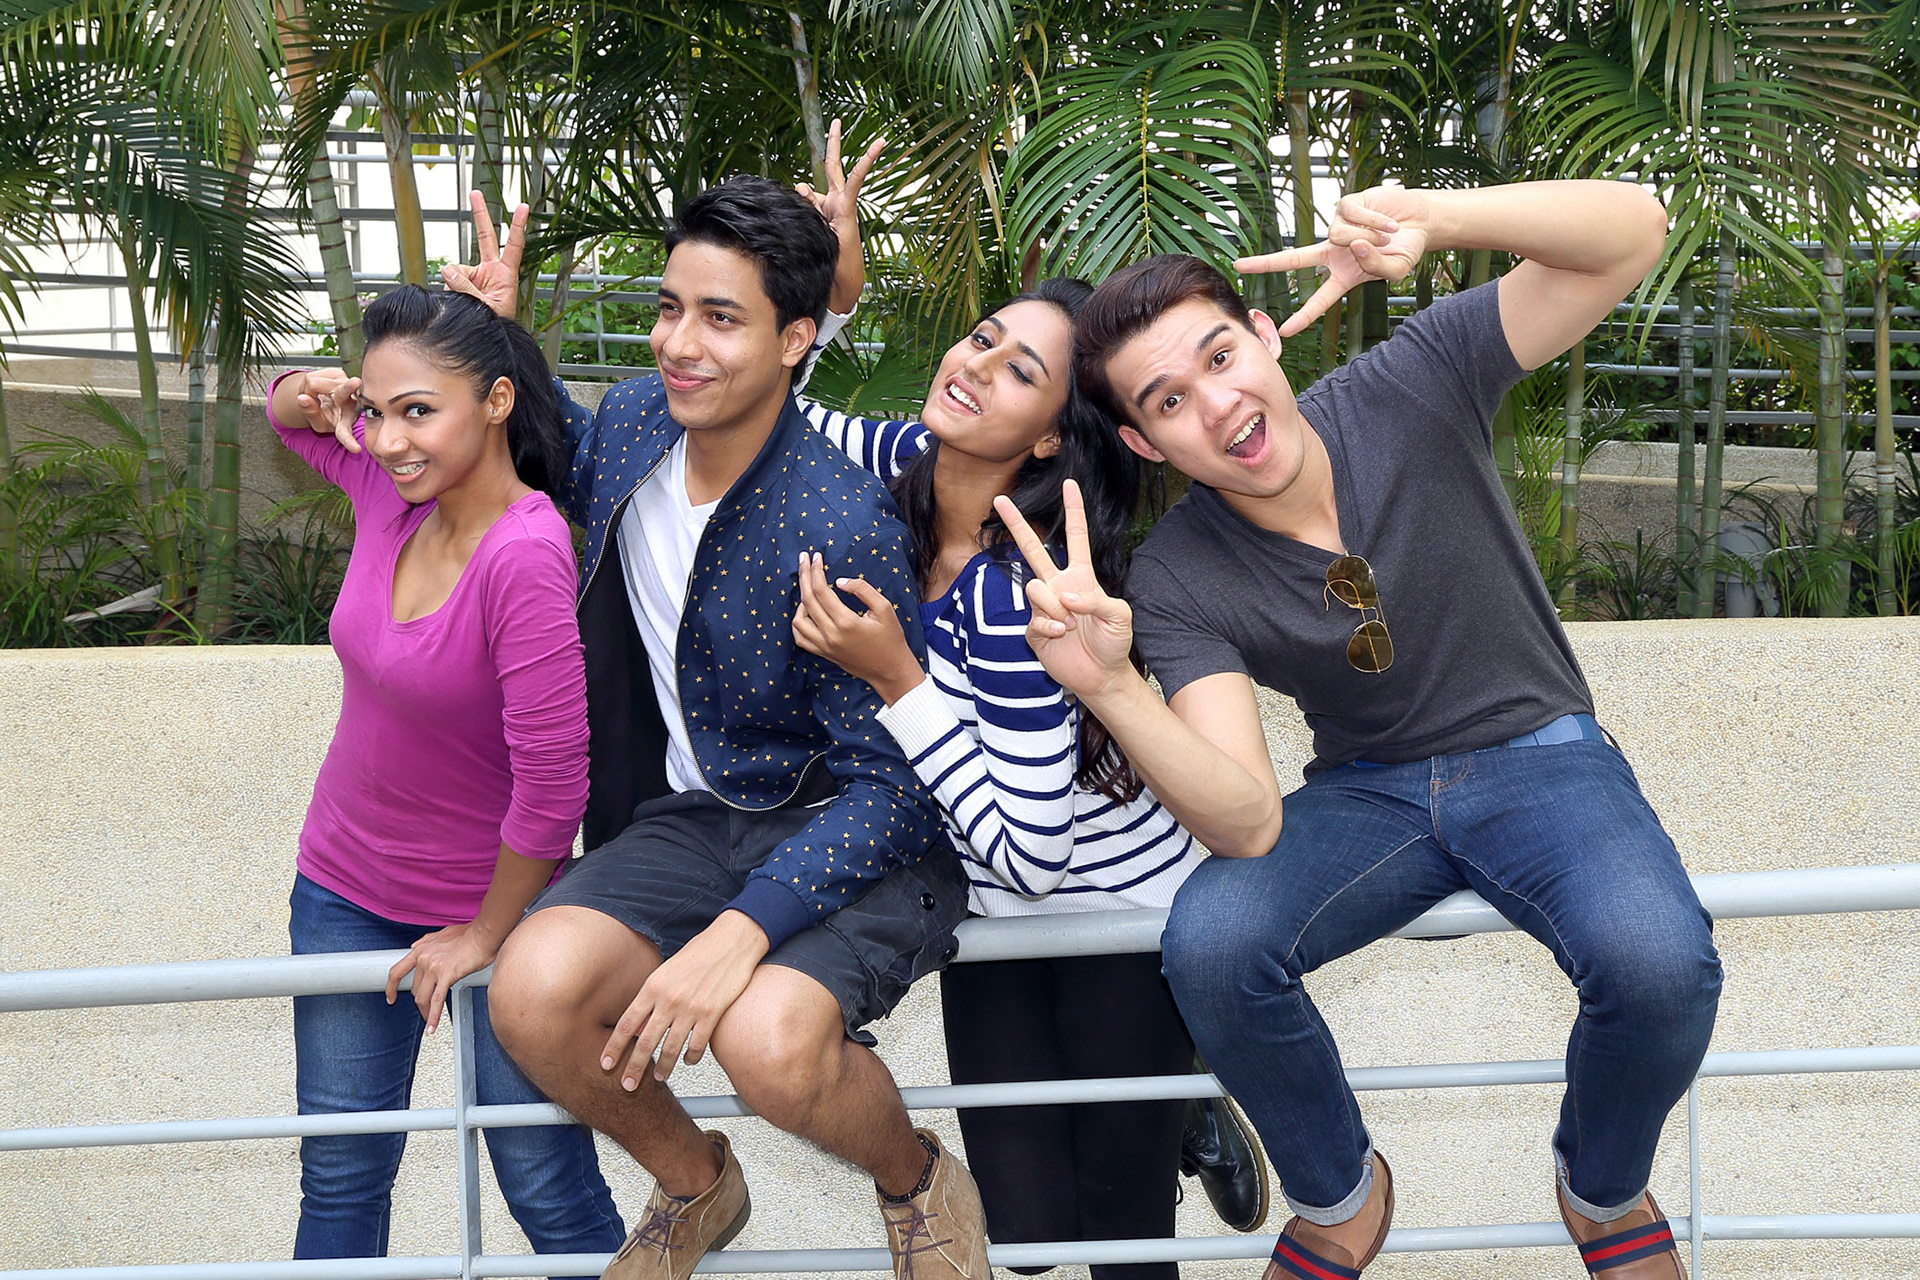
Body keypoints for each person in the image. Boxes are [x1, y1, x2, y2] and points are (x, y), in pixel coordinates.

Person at [995, 180, 1721, 1280]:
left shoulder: (1408, 382)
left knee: (1661, 962)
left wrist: (1436, 218)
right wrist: (1111, 687)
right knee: (1212, 944)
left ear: (1263, 334)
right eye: (1171, 400)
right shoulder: (1179, 573)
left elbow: (1635, 232)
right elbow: (1245, 820)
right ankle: (1339, 1193)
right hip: (1369, 791)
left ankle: (1603, 1188)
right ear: (1146, 443)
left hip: (1543, 753)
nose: (1218, 405)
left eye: (1221, 357)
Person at [442, 151, 986, 1280]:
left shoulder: (838, 520)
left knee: (766, 1044)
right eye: (669, 308)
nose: (679, 343)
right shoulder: (638, 420)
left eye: (721, 319)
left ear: (796, 339)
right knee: (533, 998)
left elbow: (895, 787)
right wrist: (498, 338)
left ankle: (916, 1179)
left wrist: (740, 932)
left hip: (847, 832)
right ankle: (698, 1182)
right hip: (693, 819)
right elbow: (556, 460)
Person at [787, 271, 1267, 1277]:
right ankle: (1175, 1107)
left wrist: (899, 678)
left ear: (1050, 437)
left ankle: (1177, 1097)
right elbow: (770, 407)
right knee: (1029, 1238)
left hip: (1117, 912)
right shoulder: (911, 462)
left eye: (1020, 371)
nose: (977, 365)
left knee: (1124, 1242)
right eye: (983, 337)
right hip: (991, 911)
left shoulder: (1014, 592)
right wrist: (830, 301)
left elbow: (1034, 854)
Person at [267, 286, 625, 1276]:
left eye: (419, 410)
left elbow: (554, 786)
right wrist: (324, 389)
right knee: (341, 1176)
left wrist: (484, 933)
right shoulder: (393, 487)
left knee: (544, 1181)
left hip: (503, 916)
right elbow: (284, 412)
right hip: (342, 893)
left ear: (498, 401)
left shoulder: (524, 554)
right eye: (379, 411)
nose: (389, 440)